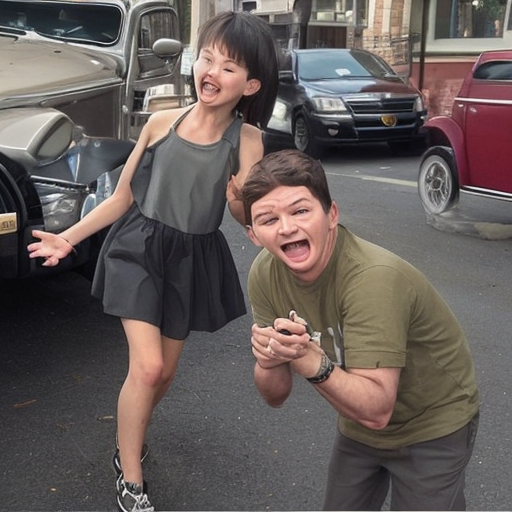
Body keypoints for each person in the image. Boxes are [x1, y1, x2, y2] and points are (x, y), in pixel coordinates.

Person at [27, 11, 279, 512]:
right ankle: (131, 476)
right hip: (139, 248)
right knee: (148, 368)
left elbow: (243, 210)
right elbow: (122, 198)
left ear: (250, 85)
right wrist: (67, 239)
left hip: (191, 259)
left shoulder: (248, 140)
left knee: (162, 376)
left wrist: (240, 203)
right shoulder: (163, 121)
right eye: (207, 58)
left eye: (229, 67)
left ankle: (128, 432)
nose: (212, 71)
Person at [241, 149, 479, 511]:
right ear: (253, 234)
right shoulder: (265, 273)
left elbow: (377, 410)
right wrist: (269, 359)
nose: (286, 227)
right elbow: (275, 397)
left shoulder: (372, 279)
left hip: (432, 421)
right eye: (268, 219)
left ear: (332, 214)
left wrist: (313, 363)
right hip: (359, 414)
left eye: (300, 211)